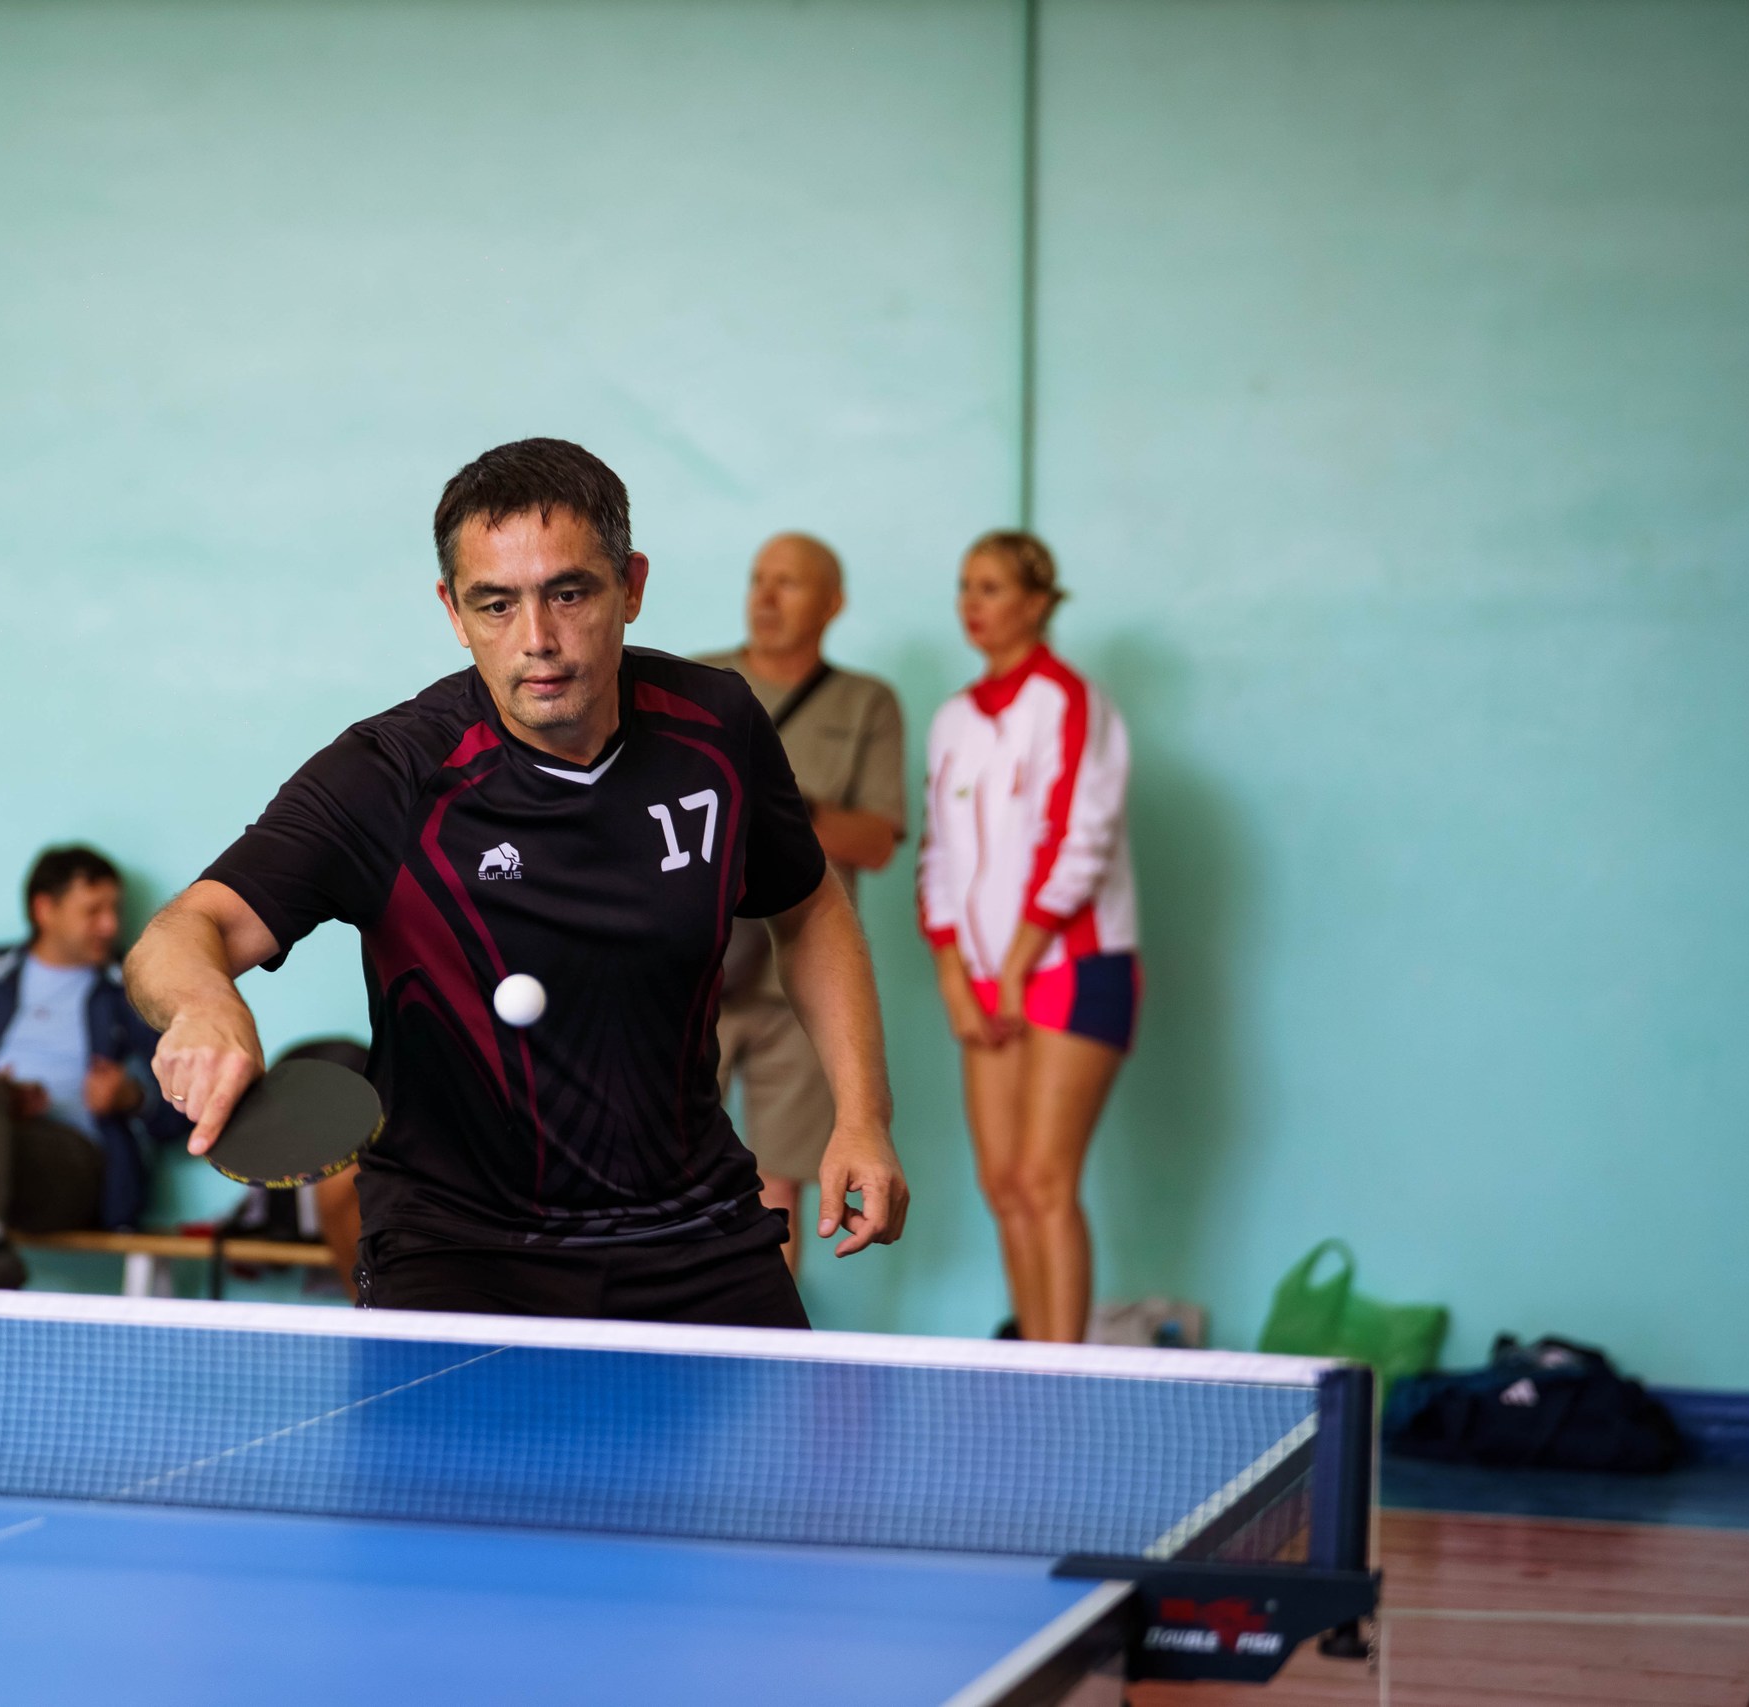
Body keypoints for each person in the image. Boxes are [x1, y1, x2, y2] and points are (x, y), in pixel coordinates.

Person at [125, 438, 907, 1326]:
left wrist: (863, 1114)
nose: (537, 639)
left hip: (694, 1231)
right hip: (462, 1251)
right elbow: (181, 933)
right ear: (454, 613)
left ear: (632, 586)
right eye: (495, 604)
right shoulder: (391, 775)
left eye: (568, 593)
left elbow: (807, 905)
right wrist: (202, 1004)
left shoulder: (717, 727)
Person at [917, 531, 1139, 1343]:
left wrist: (1016, 962)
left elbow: (1080, 837)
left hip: (1075, 965)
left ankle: (1066, 1371)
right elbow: (939, 853)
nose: (972, 604)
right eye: (965, 586)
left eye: (993, 587)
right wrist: (954, 972)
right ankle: (1035, 1373)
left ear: (1038, 603)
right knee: (1003, 1182)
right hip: (983, 975)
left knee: (1046, 1179)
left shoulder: (1070, 701)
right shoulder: (952, 719)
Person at [696, 534, 905, 1270]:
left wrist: (782, 802)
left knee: (778, 1179)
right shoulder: (696, 681)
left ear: (832, 603)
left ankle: (766, 1326)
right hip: (694, 968)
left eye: (788, 582)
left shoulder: (866, 702)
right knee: (662, 1163)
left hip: (797, 982)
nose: (766, 596)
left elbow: (876, 840)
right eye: (759, 578)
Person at [0, 844, 188, 1288]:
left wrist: (132, 1097)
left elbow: (188, 1108)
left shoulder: (136, 989)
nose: (111, 925)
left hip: (77, 1164)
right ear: (45, 909)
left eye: (114, 910)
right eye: (93, 911)